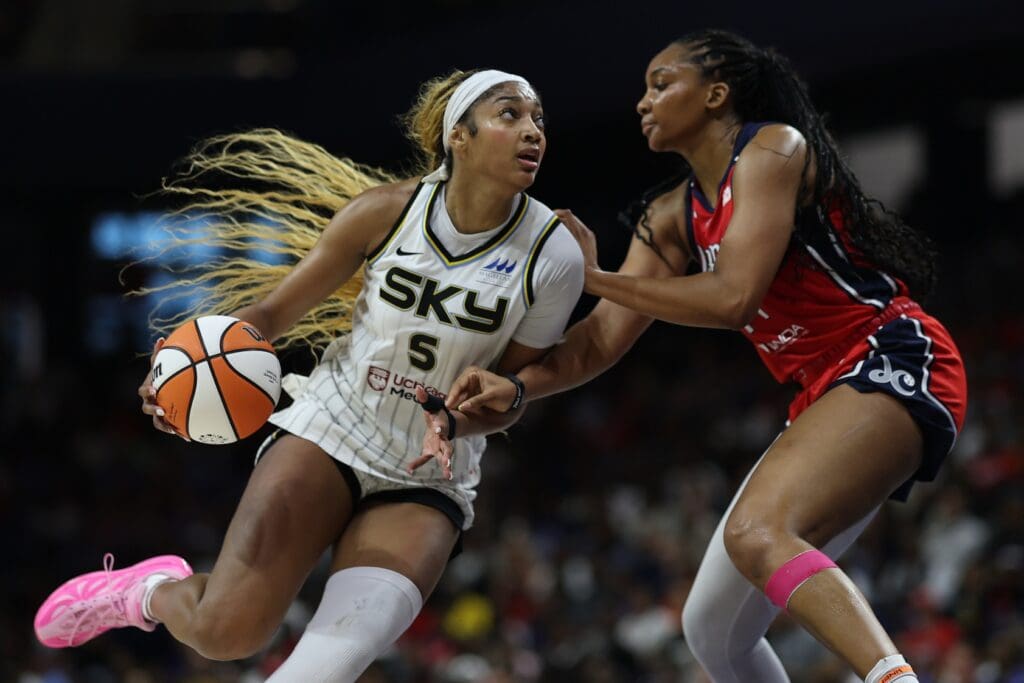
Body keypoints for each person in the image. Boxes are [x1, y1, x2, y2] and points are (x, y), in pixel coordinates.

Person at [425, 31, 967, 683]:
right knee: (711, 628)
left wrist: (594, 276)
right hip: (824, 391)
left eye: (661, 84)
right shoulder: (671, 214)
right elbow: (600, 340)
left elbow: (734, 297)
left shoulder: (772, 149)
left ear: (715, 95)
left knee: (758, 530)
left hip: (892, 355)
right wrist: (515, 386)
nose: (642, 102)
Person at [33, 68, 584, 682]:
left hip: (429, 470)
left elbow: (507, 395)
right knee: (224, 634)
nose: (533, 131)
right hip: (331, 427)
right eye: (511, 114)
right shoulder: (383, 213)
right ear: (460, 134)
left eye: (538, 120)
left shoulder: (553, 254)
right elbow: (272, 313)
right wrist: (186, 365)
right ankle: (146, 593)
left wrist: (468, 413)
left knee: (327, 667)